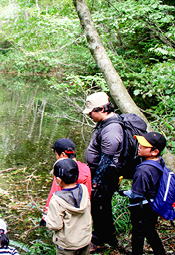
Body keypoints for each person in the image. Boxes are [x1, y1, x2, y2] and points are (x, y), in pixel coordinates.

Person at [83, 92, 123, 250]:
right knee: (101, 206)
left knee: (99, 207)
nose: (90, 115)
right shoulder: (106, 123)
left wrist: (96, 182)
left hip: (106, 175)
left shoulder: (112, 130)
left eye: (91, 112)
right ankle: (108, 236)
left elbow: (106, 160)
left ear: (101, 110)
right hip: (103, 174)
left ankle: (99, 240)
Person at [119, 132, 167, 255]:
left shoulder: (143, 170)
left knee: (138, 234)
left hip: (142, 208)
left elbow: (136, 194)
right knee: (150, 230)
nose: (139, 146)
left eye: (144, 146)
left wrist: (123, 192)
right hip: (153, 204)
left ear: (154, 151)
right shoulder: (159, 162)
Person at [44, 159, 92, 255]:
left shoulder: (57, 200)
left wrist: (47, 218)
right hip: (84, 240)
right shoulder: (84, 189)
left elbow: (55, 225)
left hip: (67, 245)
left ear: (58, 180)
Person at [44, 138, 91, 212]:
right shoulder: (86, 168)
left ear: (63, 155)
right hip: (83, 212)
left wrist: (45, 216)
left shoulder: (61, 171)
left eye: (56, 155)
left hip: (65, 213)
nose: (56, 158)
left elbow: (54, 193)